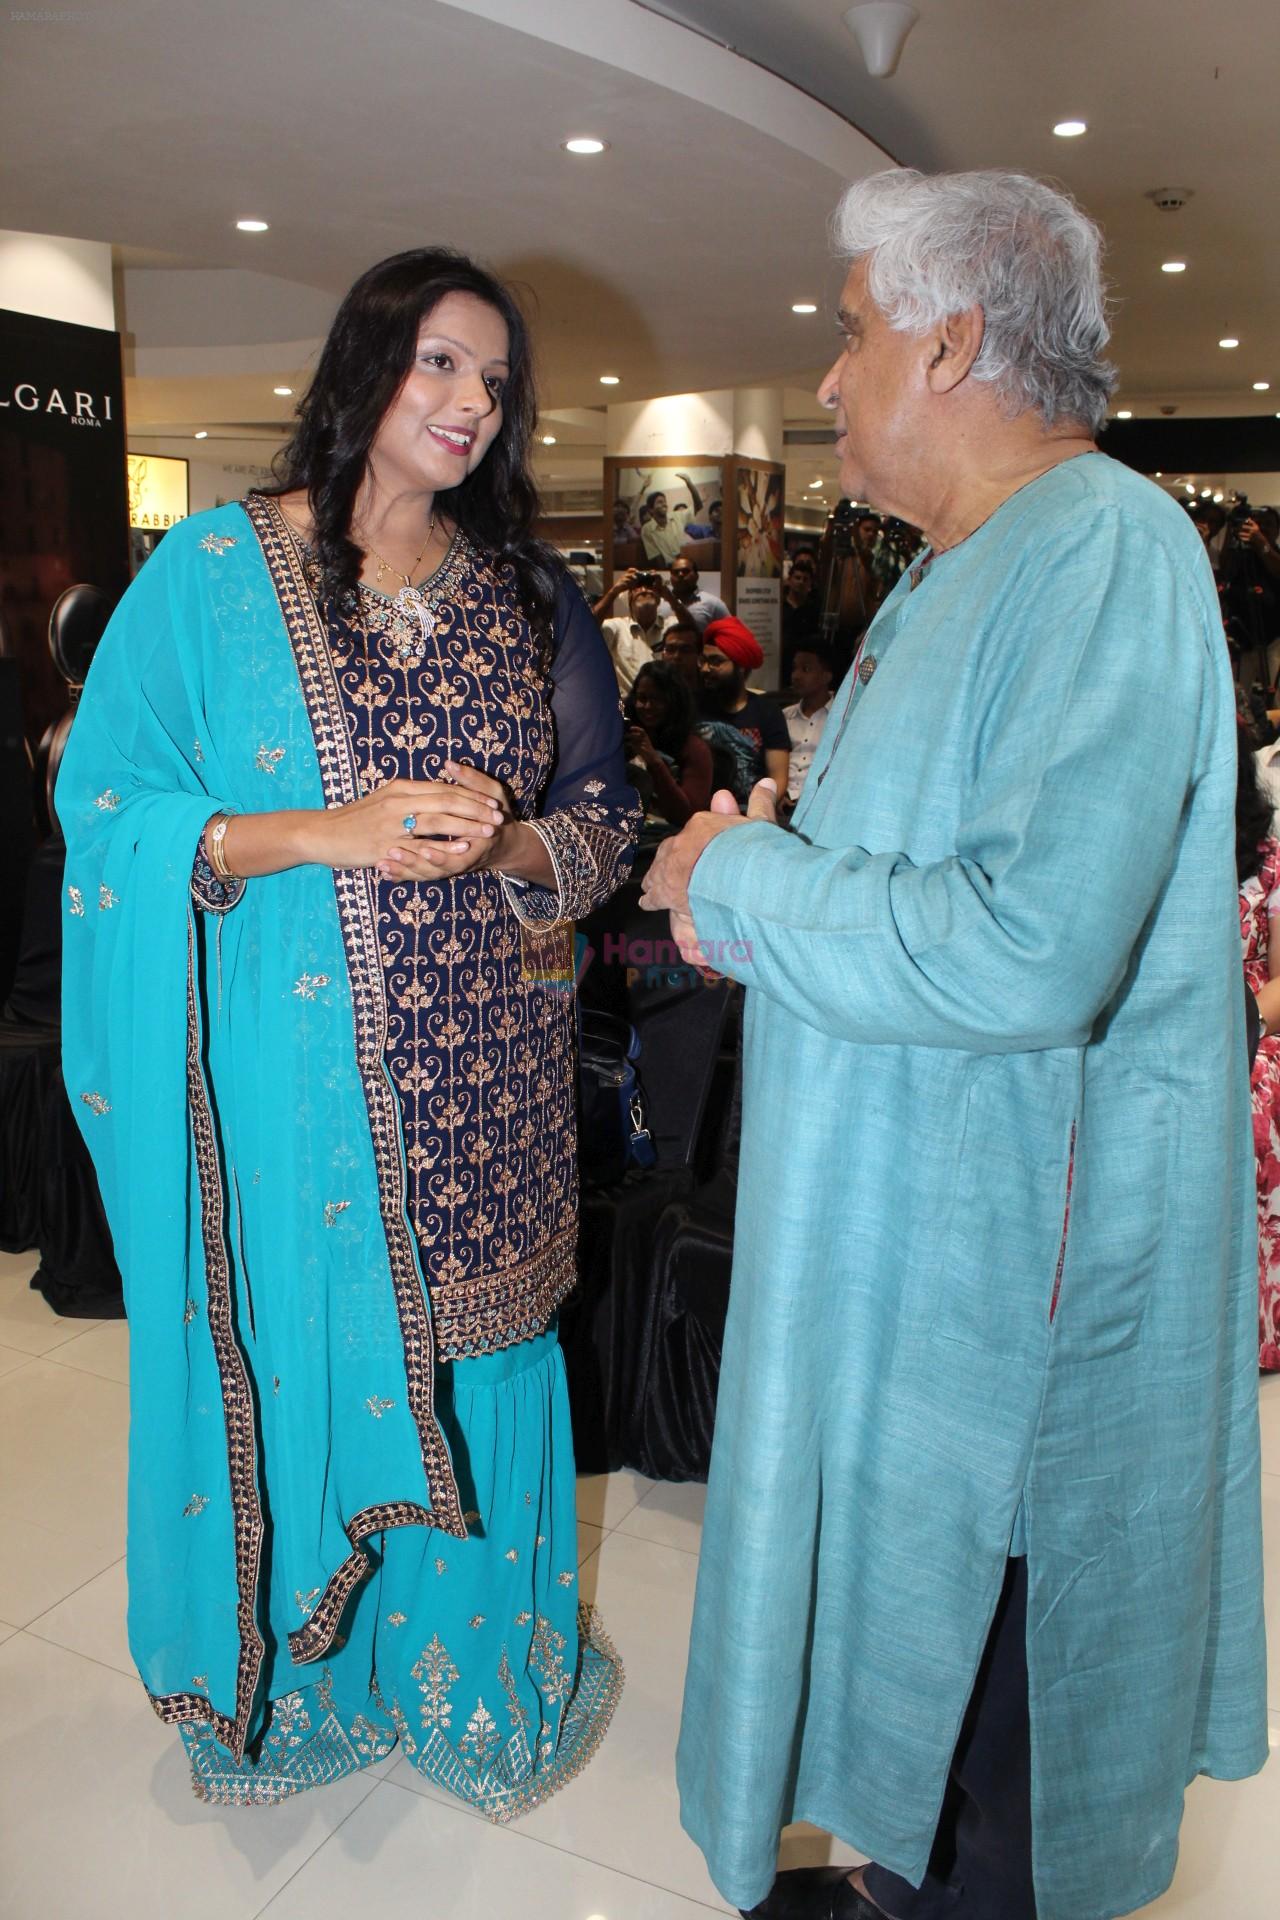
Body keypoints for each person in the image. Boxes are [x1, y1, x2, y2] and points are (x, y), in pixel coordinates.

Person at [640, 167, 1267, 1920]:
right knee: (936, 1712)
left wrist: (753, 874)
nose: (828, 378)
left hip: (1019, 1316)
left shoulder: (1109, 552)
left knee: (1011, 1731)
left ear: (955, 339)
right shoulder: (959, 570)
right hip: (920, 1266)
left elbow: (1024, 950)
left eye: (849, 334)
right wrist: (765, 862)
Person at [60, 247, 640, 1815]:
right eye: (441, 364)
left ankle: (471, 1672)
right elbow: (103, 807)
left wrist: (512, 847)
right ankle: (307, 1675)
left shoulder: (529, 595)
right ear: (367, 366)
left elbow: (606, 820)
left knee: (486, 1353)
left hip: (489, 1081)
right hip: (293, 1086)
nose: (469, 404)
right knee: (307, 1334)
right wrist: (327, 831)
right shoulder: (212, 572)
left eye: (495, 383)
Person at [1236, 729, 1280, 1369]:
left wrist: (1237, 1019)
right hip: (1168, 1034)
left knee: (1252, 1103)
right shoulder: (1154, 856)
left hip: (1256, 1026)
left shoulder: (1268, 861)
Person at [699, 614, 789, 804]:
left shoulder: (767, 712)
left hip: (752, 814)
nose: (705, 669)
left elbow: (778, 780)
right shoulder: (695, 707)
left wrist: (758, 816)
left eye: (715, 661)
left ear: (741, 667)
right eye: (704, 660)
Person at [623, 660, 713, 829]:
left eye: (657, 700)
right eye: (642, 698)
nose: (647, 706)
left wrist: (654, 762)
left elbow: (689, 816)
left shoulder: (694, 749)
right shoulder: (624, 740)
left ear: (674, 702)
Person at [592, 566, 689, 694]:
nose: (644, 590)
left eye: (650, 586)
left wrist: (668, 595)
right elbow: (587, 626)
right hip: (627, 705)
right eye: (637, 587)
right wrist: (614, 591)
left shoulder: (671, 626)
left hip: (666, 703)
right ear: (630, 599)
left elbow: (692, 631)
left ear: (659, 599)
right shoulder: (617, 627)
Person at [781, 642, 835, 807]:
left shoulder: (840, 717)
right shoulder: (784, 716)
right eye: (794, 669)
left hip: (820, 803)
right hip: (783, 802)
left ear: (826, 676)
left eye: (805, 669)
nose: (795, 676)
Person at [641, 472, 707, 564]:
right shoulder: (647, 529)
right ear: (651, 510)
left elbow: (698, 506)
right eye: (659, 502)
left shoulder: (677, 516)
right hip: (669, 567)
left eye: (665, 501)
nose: (664, 504)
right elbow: (656, 556)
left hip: (687, 562)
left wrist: (689, 483)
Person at [666, 554, 730, 634]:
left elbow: (730, 635)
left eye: (686, 571)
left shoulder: (713, 604)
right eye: (675, 572)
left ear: (696, 576)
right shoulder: (660, 604)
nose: (680, 575)